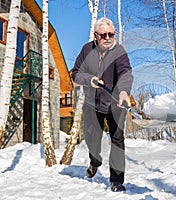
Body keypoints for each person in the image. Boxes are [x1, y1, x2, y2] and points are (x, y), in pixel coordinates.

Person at [71, 17, 133, 192]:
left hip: (115, 103)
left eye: (111, 34)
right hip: (92, 104)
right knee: (92, 139)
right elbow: (76, 73)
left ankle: (116, 180)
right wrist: (89, 80)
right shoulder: (86, 50)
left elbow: (125, 72)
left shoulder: (119, 51)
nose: (108, 38)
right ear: (95, 35)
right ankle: (94, 162)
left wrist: (123, 91)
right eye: (103, 34)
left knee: (117, 140)